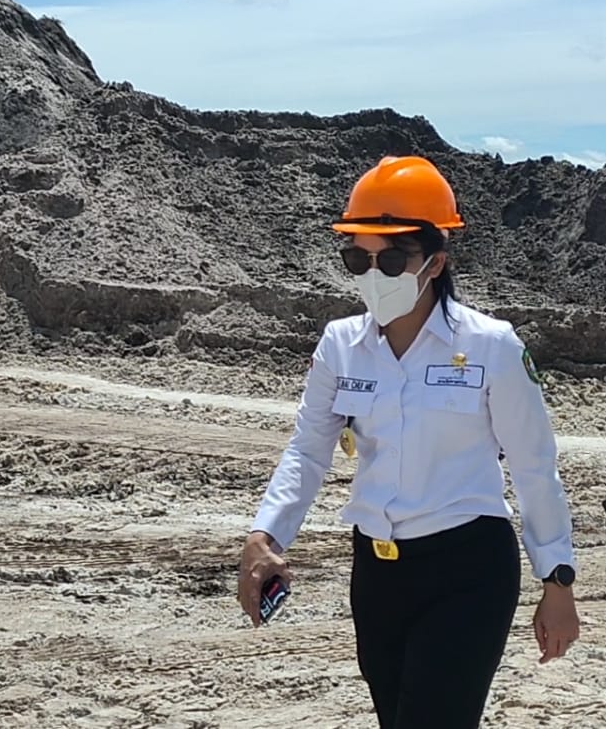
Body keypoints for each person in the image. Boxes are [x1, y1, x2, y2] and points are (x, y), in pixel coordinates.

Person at [236, 155, 580, 729]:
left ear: (435, 262)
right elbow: (308, 449)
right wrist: (265, 534)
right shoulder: (340, 345)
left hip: (467, 571)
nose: (374, 273)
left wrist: (557, 580)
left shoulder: (492, 346)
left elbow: (533, 466)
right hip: (378, 574)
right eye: (358, 258)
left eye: (392, 259)